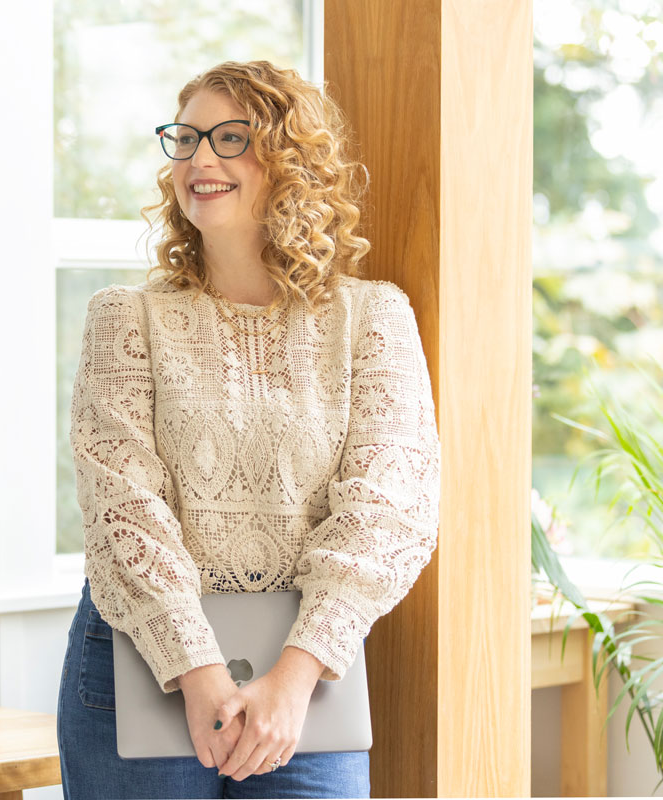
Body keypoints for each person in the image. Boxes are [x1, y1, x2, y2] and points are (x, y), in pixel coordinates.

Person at [55, 60, 442, 800]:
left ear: (291, 159)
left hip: (306, 674)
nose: (200, 159)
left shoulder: (374, 318)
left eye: (232, 138)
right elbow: (121, 507)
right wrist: (197, 671)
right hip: (140, 660)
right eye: (187, 138)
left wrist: (292, 681)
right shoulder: (125, 317)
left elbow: (388, 510)